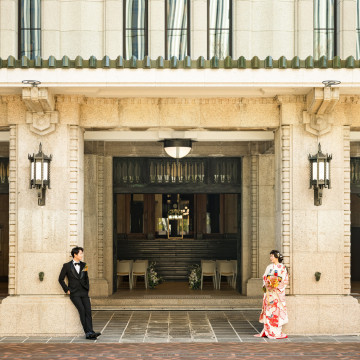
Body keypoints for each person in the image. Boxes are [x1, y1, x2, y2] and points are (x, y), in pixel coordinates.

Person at [58, 246, 101, 340]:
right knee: (82, 310)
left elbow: (86, 278)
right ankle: (88, 332)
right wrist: (67, 290)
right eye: (80, 253)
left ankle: (91, 332)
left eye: (82, 253)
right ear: (75, 254)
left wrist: (87, 288)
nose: (82, 255)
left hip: (84, 292)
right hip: (74, 293)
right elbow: (60, 279)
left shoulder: (84, 265)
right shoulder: (66, 266)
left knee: (88, 311)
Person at [255, 249, 289, 339]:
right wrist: (267, 283)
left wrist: (276, 285)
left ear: (277, 257)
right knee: (269, 311)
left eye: (272, 256)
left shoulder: (282, 267)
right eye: (270, 256)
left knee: (276, 312)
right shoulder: (269, 267)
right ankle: (267, 331)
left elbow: (285, 280)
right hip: (269, 292)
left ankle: (276, 332)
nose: (270, 258)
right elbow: (264, 277)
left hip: (277, 293)